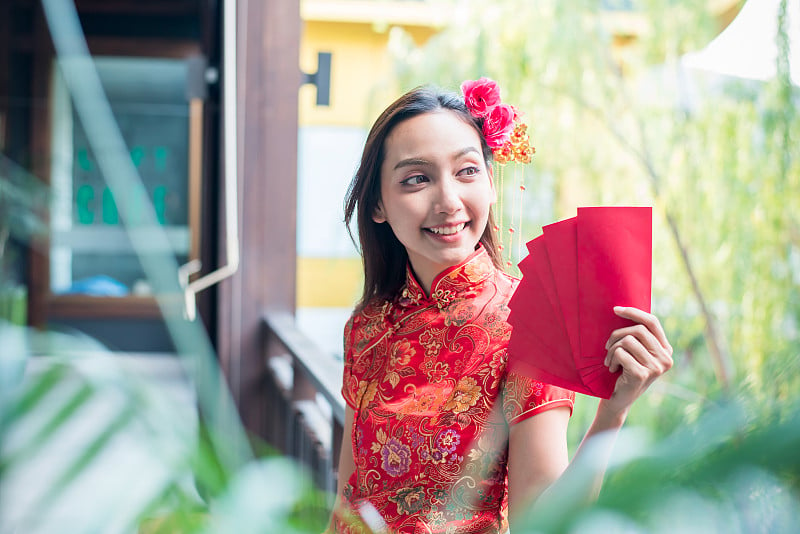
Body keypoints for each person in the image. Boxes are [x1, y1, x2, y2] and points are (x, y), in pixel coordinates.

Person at [328, 79, 673, 533]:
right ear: (377, 204)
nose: (448, 201)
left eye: (467, 171)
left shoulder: (530, 322)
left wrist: (613, 411)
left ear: (492, 185)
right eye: (417, 179)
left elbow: (541, 522)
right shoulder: (368, 325)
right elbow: (345, 503)